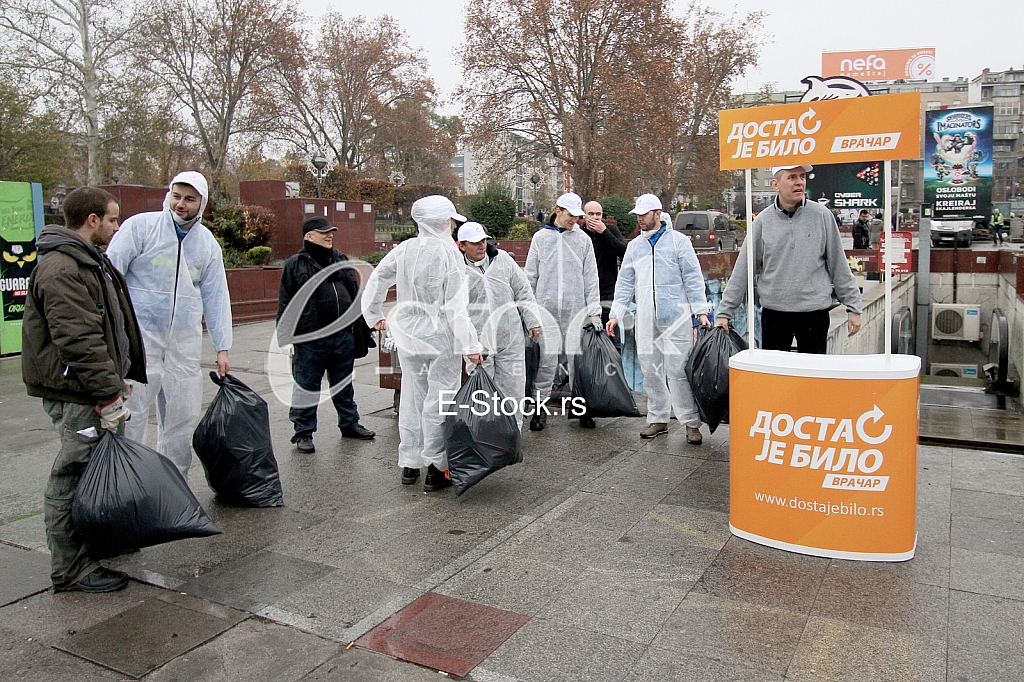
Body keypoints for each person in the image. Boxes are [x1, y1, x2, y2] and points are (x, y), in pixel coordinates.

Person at [22, 187, 147, 593]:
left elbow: (105, 328)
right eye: (112, 218)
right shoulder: (63, 268)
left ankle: (96, 543)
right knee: (72, 475)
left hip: (92, 387)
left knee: (92, 470)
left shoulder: (87, 260)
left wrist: (116, 378)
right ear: (92, 220)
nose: (117, 226)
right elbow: (78, 340)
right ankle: (71, 568)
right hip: (79, 393)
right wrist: (107, 393)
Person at [106, 171, 232, 480]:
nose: (180, 204)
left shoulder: (206, 244)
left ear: (201, 203)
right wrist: (110, 329)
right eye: (176, 196)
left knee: (182, 414)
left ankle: (174, 483)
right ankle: (128, 481)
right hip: (140, 338)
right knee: (133, 412)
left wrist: (222, 347)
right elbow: (110, 275)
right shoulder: (141, 227)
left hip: (183, 341)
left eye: (189, 199)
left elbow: (216, 296)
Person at [362, 196, 483, 491]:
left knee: (412, 397)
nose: (453, 225)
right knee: (440, 399)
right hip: (440, 334)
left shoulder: (405, 249)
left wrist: (373, 315)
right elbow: (455, 307)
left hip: (409, 333)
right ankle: (436, 467)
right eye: (451, 220)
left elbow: (378, 278)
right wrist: (471, 344)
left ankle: (410, 463)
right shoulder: (450, 253)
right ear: (442, 221)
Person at [716, 164, 862, 354]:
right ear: (775, 185)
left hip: (814, 314)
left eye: (802, 177)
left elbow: (839, 265)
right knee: (775, 372)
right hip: (775, 315)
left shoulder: (822, 216)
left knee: (812, 372)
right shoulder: (762, 222)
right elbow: (743, 270)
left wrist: (853, 307)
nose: (799, 182)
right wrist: (724, 313)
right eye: (792, 177)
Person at [607, 195, 710, 443]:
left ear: (657, 213)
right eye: (638, 215)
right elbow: (625, 283)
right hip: (645, 317)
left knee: (678, 370)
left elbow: (693, 277)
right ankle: (658, 418)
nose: (640, 219)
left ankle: (690, 422)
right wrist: (616, 313)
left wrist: (700, 310)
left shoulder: (678, 242)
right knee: (650, 369)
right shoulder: (635, 247)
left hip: (676, 317)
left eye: (644, 214)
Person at [277, 216, 376, 454]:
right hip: (311, 338)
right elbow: (286, 300)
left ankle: (350, 424)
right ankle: (303, 433)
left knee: (344, 385)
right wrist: (285, 337)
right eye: (324, 232)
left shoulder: (340, 259)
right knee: (306, 386)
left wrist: (364, 324)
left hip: (342, 336)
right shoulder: (295, 264)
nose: (329, 235)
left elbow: (354, 293)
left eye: (331, 232)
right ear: (309, 236)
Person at [524, 192, 601, 431]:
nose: (574, 220)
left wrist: (594, 311)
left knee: (577, 362)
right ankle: (539, 409)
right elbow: (530, 277)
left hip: (575, 310)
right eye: (570, 215)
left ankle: (581, 408)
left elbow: (591, 277)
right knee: (547, 363)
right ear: (558, 211)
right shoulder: (540, 238)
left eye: (577, 216)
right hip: (546, 310)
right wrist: (529, 312)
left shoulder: (583, 240)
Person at [456, 222, 541, 431]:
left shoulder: (502, 259)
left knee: (513, 389)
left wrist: (533, 320)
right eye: (475, 243)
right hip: (478, 342)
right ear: (461, 245)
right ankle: (484, 434)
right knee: (481, 392)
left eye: (484, 241)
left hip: (509, 336)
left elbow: (523, 290)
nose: (481, 246)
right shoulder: (457, 269)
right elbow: (454, 309)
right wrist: (468, 343)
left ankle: (512, 433)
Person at [581, 200, 627, 340]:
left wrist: (605, 233)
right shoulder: (581, 235)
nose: (595, 218)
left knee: (610, 334)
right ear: (584, 216)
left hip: (608, 291)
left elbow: (624, 253)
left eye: (598, 214)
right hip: (586, 293)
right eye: (591, 214)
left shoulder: (611, 230)